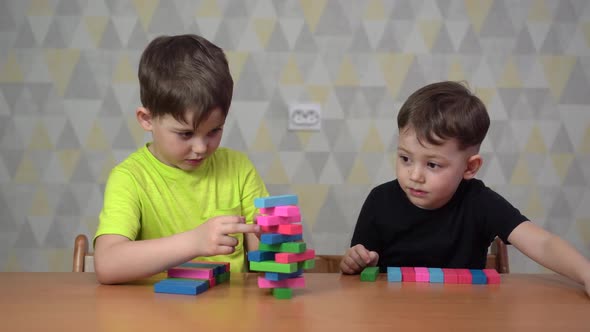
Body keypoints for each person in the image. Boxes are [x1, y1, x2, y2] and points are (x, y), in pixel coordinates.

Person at [341, 81, 590, 296]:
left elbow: (543, 243)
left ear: (470, 168)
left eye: (432, 164)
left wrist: (586, 273)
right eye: (405, 158)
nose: (414, 175)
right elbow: (357, 269)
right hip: (391, 316)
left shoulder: (480, 202)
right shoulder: (379, 200)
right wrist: (355, 261)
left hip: (465, 314)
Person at [94, 34, 268, 284]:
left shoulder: (239, 169)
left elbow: (263, 258)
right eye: (185, 134)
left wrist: (277, 241)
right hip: (155, 317)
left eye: (214, 131)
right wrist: (195, 241)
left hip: (229, 317)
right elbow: (108, 264)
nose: (200, 147)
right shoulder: (130, 178)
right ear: (147, 119)